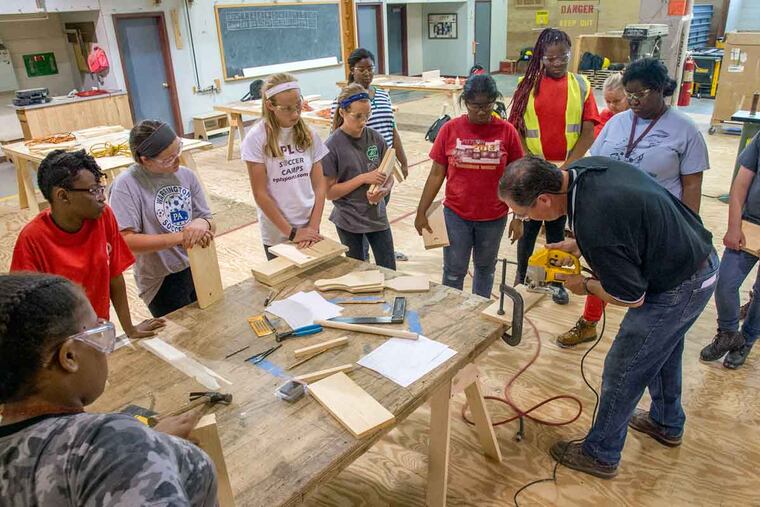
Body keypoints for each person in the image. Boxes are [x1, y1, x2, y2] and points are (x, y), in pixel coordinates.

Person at [498, 156, 717, 479]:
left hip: (679, 284)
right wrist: (578, 243)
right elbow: (627, 221)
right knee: (663, 352)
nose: (526, 219)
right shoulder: (585, 170)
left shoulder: (594, 220)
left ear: (544, 199)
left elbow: (631, 296)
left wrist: (584, 285)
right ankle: (666, 422)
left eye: (524, 213)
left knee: (624, 367)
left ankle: (600, 453)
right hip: (696, 259)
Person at [0, 272, 217, 505]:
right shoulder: (109, 442)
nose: (105, 348)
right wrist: (135, 447)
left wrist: (152, 445)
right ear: (69, 356)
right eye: (98, 332)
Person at [557, 58, 710, 348]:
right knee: (606, 269)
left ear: (661, 89)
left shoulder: (685, 130)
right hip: (611, 221)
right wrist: (577, 231)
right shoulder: (616, 123)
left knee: (647, 299)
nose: (634, 100)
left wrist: (687, 228)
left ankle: (656, 332)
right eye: (630, 94)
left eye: (641, 94)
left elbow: (692, 185)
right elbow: (592, 168)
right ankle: (589, 321)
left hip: (655, 228)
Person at [11, 150, 164, 339]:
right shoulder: (32, 239)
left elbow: (115, 277)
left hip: (96, 327)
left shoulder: (104, 217)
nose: (102, 197)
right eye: (93, 191)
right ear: (63, 196)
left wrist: (129, 328)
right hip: (58, 340)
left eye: (101, 188)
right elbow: (23, 308)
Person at [508, 28, 600, 305]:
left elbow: (588, 130)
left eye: (563, 57)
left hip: (566, 170)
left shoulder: (582, 85)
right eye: (550, 58)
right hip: (534, 168)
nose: (557, 62)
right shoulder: (526, 85)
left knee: (558, 228)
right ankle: (523, 277)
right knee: (529, 225)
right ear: (540, 58)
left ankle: (555, 280)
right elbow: (518, 128)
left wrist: (566, 167)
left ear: (570, 55)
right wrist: (531, 162)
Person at [415, 73, 524, 298]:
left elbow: (518, 179)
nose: (482, 111)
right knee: (454, 271)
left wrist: (519, 217)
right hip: (456, 215)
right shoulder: (450, 129)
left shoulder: (507, 132)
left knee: (485, 269)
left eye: (488, 105)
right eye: (476, 106)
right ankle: (450, 314)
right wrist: (421, 210)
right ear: (465, 102)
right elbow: (436, 174)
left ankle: (478, 315)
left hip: (494, 217)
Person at [109, 120, 216, 318]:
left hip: (197, 264)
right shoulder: (126, 185)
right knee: (183, 337)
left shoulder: (186, 176)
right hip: (160, 278)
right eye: (167, 159)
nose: (177, 161)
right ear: (144, 160)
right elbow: (126, 241)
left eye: (178, 151)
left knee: (211, 320)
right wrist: (181, 237)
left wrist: (203, 223)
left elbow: (208, 219)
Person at [332, 48, 410, 262]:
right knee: (358, 255)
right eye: (362, 69)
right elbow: (330, 190)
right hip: (355, 187)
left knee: (378, 208)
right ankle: (363, 255)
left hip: (380, 165)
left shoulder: (382, 96)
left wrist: (399, 161)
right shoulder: (336, 140)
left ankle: (379, 252)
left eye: (370, 69)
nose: (367, 73)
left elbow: (392, 129)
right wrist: (361, 177)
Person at [240, 73, 329, 259]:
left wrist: (313, 226)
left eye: (298, 105)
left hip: (308, 225)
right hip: (278, 232)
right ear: (270, 106)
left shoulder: (309, 134)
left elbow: (320, 186)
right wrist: (292, 233)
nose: (296, 114)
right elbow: (260, 194)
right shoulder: (256, 139)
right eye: (287, 109)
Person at [700, 132, 760, 368]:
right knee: (725, 282)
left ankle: (746, 339)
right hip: (750, 224)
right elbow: (740, 185)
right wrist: (734, 227)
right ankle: (728, 333)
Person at [323, 83, 396, 270]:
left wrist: (384, 189)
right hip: (349, 221)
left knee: (389, 269)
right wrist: (363, 178)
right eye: (357, 116)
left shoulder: (375, 138)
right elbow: (330, 193)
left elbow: (388, 175)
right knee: (359, 273)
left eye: (367, 115)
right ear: (342, 113)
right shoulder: (332, 146)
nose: (363, 121)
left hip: (377, 217)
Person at [595, 72, 627, 136]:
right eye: (608, 101)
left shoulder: (640, 118)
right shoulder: (605, 115)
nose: (611, 106)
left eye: (616, 101)